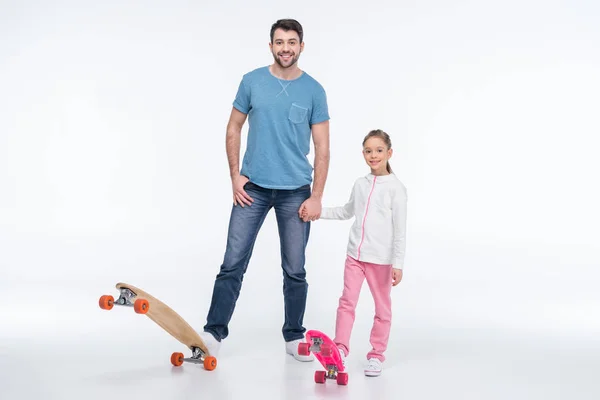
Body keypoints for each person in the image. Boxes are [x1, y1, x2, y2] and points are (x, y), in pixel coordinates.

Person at [200, 18, 330, 362]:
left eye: (291, 42)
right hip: (252, 188)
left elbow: (323, 148)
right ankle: (213, 334)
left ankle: (294, 336)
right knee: (232, 264)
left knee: (295, 268)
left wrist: (316, 196)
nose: (285, 47)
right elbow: (233, 127)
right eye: (279, 42)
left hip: (296, 192)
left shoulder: (314, 90)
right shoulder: (252, 81)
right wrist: (234, 176)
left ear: (302, 46)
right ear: (271, 46)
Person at [306, 129, 407, 376]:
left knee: (382, 309)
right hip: (354, 256)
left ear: (389, 153)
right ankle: (340, 349)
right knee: (346, 302)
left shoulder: (396, 188)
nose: (374, 155)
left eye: (379, 150)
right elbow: (346, 211)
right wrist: (318, 212)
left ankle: (376, 355)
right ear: (363, 154)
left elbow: (400, 230)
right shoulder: (360, 184)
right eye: (369, 151)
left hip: (381, 260)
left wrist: (398, 263)